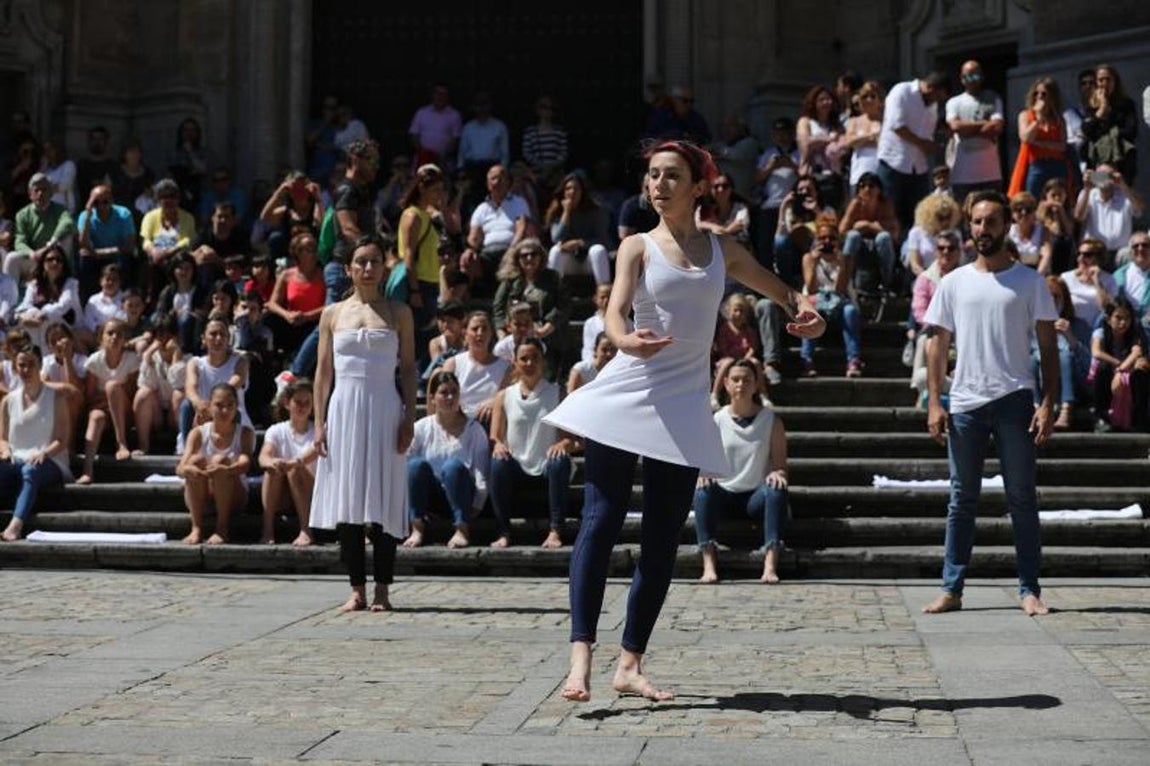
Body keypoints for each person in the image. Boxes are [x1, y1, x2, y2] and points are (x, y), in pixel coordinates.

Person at [543, 140, 824, 703]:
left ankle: (630, 663)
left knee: (662, 540)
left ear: (699, 187)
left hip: (683, 404)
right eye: (652, 175)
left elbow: (783, 290)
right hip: (627, 389)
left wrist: (807, 314)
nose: (659, 184)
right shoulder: (636, 246)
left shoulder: (725, 250)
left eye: (672, 175)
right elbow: (615, 312)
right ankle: (580, 659)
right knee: (600, 519)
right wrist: (624, 340)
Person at [922, 190, 1059, 617]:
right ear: (970, 226)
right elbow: (936, 343)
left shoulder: (1030, 281)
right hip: (964, 402)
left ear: (1005, 226)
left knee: (1022, 497)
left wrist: (1049, 401)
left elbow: (1048, 346)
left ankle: (1029, 589)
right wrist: (934, 401)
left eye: (991, 222)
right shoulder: (954, 282)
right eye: (977, 222)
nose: (983, 229)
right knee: (962, 499)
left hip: (1015, 399)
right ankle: (952, 588)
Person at [310, 235, 417, 612]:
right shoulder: (333, 314)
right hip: (344, 408)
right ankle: (356, 588)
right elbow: (323, 373)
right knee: (348, 498)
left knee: (385, 495)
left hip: (385, 406)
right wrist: (320, 423)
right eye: (361, 262)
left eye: (374, 261)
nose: (368, 268)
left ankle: (383, 589)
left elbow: (407, 370)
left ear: (383, 267)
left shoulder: (398, 312)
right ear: (349, 269)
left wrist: (410, 416)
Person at [694, 359, 788, 584]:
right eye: (735, 379)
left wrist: (778, 474)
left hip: (755, 496)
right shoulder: (717, 420)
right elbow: (702, 462)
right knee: (702, 491)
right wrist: (702, 474)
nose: (741, 384)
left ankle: (770, 564)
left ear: (756, 385)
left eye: (747, 380)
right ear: (725, 383)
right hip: (724, 494)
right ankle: (709, 565)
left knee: (776, 490)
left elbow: (780, 467)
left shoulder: (771, 420)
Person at [489, 338, 575, 549]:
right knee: (497, 463)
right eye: (523, 359)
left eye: (534, 358)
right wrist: (498, 445)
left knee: (560, 461)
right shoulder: (503, 396)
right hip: (516, 465)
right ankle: (503, 531)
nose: (529, 363)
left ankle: (555, 530)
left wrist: (562, 444)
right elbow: (495, 436)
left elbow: (571, 439)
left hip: (547, 465)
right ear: (515, 362)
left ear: (543, 361)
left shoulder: (558, 393)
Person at [403, 370, 488, 550]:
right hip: (431, 497)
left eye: (454, 392)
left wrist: (476, 506)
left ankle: (461, 529)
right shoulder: (421, 428)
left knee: (453, 467)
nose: (450, 397)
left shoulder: (475, 430)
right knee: (416, 465)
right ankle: (417, 528)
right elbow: (407, 469)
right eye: (444, 392)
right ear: (433, 398)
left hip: (462, 496)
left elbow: (481, 475)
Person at [0, 345, 71, 541]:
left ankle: (15, 526)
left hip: (51, 461)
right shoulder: (8, 401)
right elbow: (2, 438)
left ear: (40, 365)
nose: (26, 370)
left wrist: (44, 454)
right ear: (15, 367)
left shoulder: (56, 397)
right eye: (21, 365)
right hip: (16, 459)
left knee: (30, 471)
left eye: (31, 364)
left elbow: (62, 440)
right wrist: (5, 451)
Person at [177, 382, 254, 545]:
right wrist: (191, 471)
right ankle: (196, 527)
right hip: (202, 492)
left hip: (234, 494)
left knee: (220, 461)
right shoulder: (198, 433)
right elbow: (180, 467)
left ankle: (222, 527)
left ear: (236, 406)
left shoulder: (245, 433)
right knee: (195, 461)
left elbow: (245, 463)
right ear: (210, 406)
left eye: (230, 405)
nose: (225, 410)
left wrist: (226, 469)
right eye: (219, 405)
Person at [876, 71, 949, 236]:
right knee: (891, 216)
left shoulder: (932, 105)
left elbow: (926, 130)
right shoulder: (902, 91)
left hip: (918, 167)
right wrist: (923, 144)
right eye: (937, 96)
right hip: (894, 163)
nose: (937, 101)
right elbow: (897, 125)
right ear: (930, 87)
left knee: (918, 217)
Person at [76, 318, 140, 482]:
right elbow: (90, 397)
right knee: (96, 416)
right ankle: (87, 470)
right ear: (101, 337)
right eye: (110, 333)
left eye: (119, 334)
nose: (114, 337)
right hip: (102, 410)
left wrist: (112, 394)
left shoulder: (132, 359)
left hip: (124, 412)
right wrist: (108, 399)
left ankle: (122, 443)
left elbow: (132, 394)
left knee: (112, 386)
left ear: (125, 338)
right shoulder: (94, 361)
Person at [801, 215, 863, 378]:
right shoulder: (808, 258)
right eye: (822, 238)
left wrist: (841, 264)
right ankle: (807, 358)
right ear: (816, 240)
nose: (827, 242)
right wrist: (814, 264)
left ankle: (853, 360)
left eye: (831, 238)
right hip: (818, 304)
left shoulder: (846, 260)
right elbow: (811, 288)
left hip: (839, 304)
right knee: (810, 311)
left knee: (850, 311)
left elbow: (841, 290)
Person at [179, 315, 250, 456]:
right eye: (213, 334)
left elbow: (230, 387)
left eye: (222, 334)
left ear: (228, 339)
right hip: (203, 414)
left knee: (230, 408)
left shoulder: (240, 362)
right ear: (204, 339)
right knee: (187, 405)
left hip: (229, 414)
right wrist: (198, 405)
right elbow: (190, 388)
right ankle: (189, 454)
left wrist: (211, 409)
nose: (218, 338)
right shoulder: (195, 363)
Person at [258, 377, 317, 546]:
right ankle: (268, 529)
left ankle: (306, 530)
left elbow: (312, 453)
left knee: (296, 468)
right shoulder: (275, 430)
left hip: (311, 491)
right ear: (287, 403)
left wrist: (292, 464)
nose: (302, 407)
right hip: (283, 495)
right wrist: (272, 463)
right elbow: (264, 456)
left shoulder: (318, 431)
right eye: (298, 402)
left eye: (307, 403)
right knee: (273, 469)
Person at [492, 238, 569, 362]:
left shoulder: (553, 277)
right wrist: (502, 334)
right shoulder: (510, 280)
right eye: (524, 255)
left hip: (546, 333)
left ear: (541, 257)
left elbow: (563, 305)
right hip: (515, 333)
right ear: (518, 259)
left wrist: (546, 329)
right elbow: (498, 308)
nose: (529, 258)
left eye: (533, 254)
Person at [459, 164, 530, 296]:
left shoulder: (518, 202)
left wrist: (512, 249)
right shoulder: (482, 208)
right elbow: (474, 236)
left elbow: (522, 228)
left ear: (508, 182)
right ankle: (465, 303)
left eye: (501, 178)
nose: (497, 182)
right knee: (467, 260)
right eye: (493, 178)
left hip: (511, 249)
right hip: (487, 253)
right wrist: (470, 250)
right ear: (488, 184)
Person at [909, 230, 962, 407]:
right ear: (935, 251)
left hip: (962, 330)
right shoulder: (925, 278)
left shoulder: (968, 276)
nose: (946, 252)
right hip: (933, 328)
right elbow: (919, 309)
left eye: (951, 248)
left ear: (959, 251)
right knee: (925, 338)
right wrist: (941, 326)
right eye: (941, 248)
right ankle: (922, 390)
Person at [944, 60, 1005, 202]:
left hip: (990, 174)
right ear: (961, 79)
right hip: (962, 175)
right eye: (967, 77)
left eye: (975, 76)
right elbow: (955, 127)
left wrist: (966, 130)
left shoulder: (993, 98)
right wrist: (984, 123)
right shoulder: (954, 102)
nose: (971, 81)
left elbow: (997, 127)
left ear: (982, 77)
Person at [439, 311, 512, 424]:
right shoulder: (452, 364)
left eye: (484, 329)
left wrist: (495, 402)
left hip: (490, 423)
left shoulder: (506, 367)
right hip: (458, 422)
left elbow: (506, 397)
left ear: (491, 334)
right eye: (475, 329)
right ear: (465, 334)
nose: (480, 333)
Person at [1090, 296, 1148, 432]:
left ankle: (1139, 420)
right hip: (1100, 380)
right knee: (1102, 367)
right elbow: (1097, 352)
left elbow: (1136, 352)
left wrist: (1120, 371)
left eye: (1127, 318)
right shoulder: (1100, 333)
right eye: (1118, 318)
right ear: (1108, 319)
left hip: (1123, 379)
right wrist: (1119, 365)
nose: (1123, 322)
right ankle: (1101, 417)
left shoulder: (1134, 336)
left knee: (1141, 372)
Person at [545, 172, 612, 287]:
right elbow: (556, 239)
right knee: (555, 251)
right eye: (568, 188)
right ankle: (553, 295)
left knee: (598, 250)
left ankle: (604, 292)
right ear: (563, 192)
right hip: (568, 261)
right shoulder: (557, 211)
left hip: (589, 261)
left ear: (582, 191)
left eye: (576, 188)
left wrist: (580, 243)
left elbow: (602, 239)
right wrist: (566, 212)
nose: (572, 192)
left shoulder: (596, 210)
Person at [13, 243, 82, 353]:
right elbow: (25, 305)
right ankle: (37, 355)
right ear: (43, 263)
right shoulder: (34, 284)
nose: (54, 262)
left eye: (59, 260)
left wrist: (42, 315)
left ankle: (44, 357)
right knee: (31, 313)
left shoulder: (71, 283)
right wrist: (23, 318)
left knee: (47, 316)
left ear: (63, 264)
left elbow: (63, 306)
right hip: (39, 325)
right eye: (50, 259)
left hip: (68, 328)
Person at [1038, 277, 1087, 431]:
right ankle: (1037, 409)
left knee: (1065, 355)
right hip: (1041, 382)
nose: (1052, 301)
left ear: (1065, 298)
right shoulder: (1031, 324)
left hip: (1074, 384)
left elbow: (1089, 366)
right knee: (1034, 358)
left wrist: (1071, 339)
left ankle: (1066, 409)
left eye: (1057, 296)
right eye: (1048, 296)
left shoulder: (1079, 325)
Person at [7, 173, 75, 282]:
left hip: (54, 257)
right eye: (36, 190)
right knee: (11, 258)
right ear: (30, 194)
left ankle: (61, 283)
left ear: (51, 193)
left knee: (67, 237)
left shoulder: (60, 210)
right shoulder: (22, 214)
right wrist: (31, 254)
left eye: (44, 190)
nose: (40, 193)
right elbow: (19, 241)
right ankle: (8, 296)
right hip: (34, 258)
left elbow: (67, 222)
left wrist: (51, 244)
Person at [1009, 78, 1070, 199]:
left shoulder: (1058, 119)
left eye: (1044, 94)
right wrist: (1038, 118)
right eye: (1036, 93)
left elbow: (1062, 146)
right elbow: (1026, 138)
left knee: (1058, 199)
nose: (1039, 97)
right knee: (1033, 198)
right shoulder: (1025, 115)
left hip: (1057, 164)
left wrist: (1039, 143)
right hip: (1037, 165)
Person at [132, 315, 184, 455]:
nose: (164, 339)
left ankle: (183, 445)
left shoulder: (187, 359)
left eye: (168, 335)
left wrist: (175, 357)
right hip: (157, 413)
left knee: (179, 395)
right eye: (160, 335)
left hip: (176, 413)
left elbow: (177, 383)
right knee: (143, 394)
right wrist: (148, 356)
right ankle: (144, 445)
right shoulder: (152, 357)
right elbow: (146, 384)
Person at [839, 172, 900, 291]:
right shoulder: (855, 204)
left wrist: (867, 225)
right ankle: (846, 280)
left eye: (871, 186)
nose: (867, 189)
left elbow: (895, 234)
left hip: (879, 244)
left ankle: (887, 282)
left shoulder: (885, 204)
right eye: (862, 186)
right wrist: (873, 226)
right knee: (853, 236)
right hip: (859, 244)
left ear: (879, 189)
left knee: (884, 237)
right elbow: (842, 232)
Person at [76, 184, 136, 300]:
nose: (100, 206)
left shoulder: (123, 214)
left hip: (116, 256)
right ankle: (87, 300)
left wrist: (101, 252)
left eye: (105, 202)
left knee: (125, 259)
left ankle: (125, 298)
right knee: (83, 258)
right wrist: (88, 214)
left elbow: (129, 245)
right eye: (96, 202)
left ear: (111, 201)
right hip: (95, 257)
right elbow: (83, 244)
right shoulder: (84, 216)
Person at [1081, 64, 1139, 183]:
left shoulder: (1126, 104)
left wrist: (1108, 133)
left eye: (1108, 79)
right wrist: (1101, 109)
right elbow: (1087, 131)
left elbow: (1131, 130)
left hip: (1122, 162)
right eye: (1101, 80)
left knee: (1121, 193)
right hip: (1097, 162)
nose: (1105, 83)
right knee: (1101, 191)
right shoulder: (1091, 107)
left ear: (1115, 82)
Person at [1074, 164, 1144, 258]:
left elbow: (1140, 208)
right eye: (1100, 175)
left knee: (1126, 255)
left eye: (1108, 175)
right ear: (1095, 176)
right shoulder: (1088, 194)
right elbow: (1079, 216)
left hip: (1120, 252)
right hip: (1094, 251)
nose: (1104, 178)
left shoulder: (1125, 195)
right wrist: (1087, 188)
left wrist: (1123, 185)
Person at [796, 85, 844, 211]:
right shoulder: (805, 122)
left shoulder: (836, 125)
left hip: (832, 176)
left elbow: (842, 144)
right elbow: (806, 144)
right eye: (821, 99)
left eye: (829, 99)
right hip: (813, 175)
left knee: (830, 212)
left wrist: (819, 140)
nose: (826, 103)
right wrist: (829, 139)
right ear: (814, 103)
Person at [1060, 238, 1115, 347]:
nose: (1081, 258)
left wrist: (1096, 281)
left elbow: (1106, 308)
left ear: (1099, 258)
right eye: (1079, 254)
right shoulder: (1066, 277)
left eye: (1087, 255)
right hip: (1072, 328)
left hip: (1097, 330)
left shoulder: (1109, 279)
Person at [259, 170, 324, 263]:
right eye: (295, 189)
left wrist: (317, 197)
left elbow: (320, 223)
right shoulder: (286, 210)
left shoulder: (315, 208)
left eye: (302, 189)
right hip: (292, 258)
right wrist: (279, 192)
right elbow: (265, 217)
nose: (299, 193)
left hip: (313, 256)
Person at [710, 292, 761, 408]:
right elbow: (722, 347)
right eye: (736, 310)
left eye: (742, 311)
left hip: (744, 359)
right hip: (727, 358)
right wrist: (733, 359)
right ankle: (714, 394)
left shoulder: (748, 330)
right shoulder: (725, 329)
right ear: (729, 311)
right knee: (727, 362)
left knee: (756, 363)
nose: (739, 314)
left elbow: (753, 347)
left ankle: (763, 394)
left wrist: (746, 358)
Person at [905, 193, 962, 278]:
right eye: (941, 218)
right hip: (924, 277)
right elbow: (915, 265)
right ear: (929, 216)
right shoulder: (916, 233)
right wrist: (930, 279)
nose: (945, 222)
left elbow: (959, 263)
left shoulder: (956, 233)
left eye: (948, 216)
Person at [843, 80, 884, 195]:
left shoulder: (886, 121)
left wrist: (860, 140)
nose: (868, 100)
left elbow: (885, 142)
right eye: (864, 96)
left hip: (880, 173)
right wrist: (871, 136)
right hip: (858, 173)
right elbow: (849, 142)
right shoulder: (853, 121)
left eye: (873, 96)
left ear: (880, 100)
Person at [409, 83, 462, 167]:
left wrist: (443, 155)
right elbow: (414, 134)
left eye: (443, 94)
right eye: (438, 94)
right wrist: (423, 153)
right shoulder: (421, 113)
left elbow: (456, 139)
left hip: (444, 161)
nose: (440, 97)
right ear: (432, 95)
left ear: (448, 97)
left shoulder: (454, 115)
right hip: (423, 160)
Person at [522, 96, 568, 190]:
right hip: (536, 174)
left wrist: (551, 166)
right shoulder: (530, 132)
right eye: (544, 107)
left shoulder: (559, 131)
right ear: (537, 110)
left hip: (555, 175)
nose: (547, 110)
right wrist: (540, 165)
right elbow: (526, 153)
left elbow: (563, 153)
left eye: (551, 108)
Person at [1007, 192, 1051, 273]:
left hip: (1037, 272)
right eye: (1019, 210)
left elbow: (1046, 256)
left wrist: (1036, 278)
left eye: (1028, 210)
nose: (1024, 213)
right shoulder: (1008, 231)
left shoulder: (1043, 231)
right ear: (1012, 214)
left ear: (1034, 212)